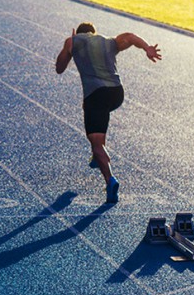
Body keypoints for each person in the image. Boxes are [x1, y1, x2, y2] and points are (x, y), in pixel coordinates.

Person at [56, 22, 162, 203]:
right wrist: (147, 48)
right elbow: (129, 36)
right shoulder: (109, 41)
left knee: (96, 141)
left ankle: (110, 179)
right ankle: (97, 156)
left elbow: (59, 68)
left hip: (96, 95)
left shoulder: (73, 41)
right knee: (96, 120)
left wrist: (70, 48)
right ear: (94, 32)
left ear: (79, 33)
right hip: (116, 93)